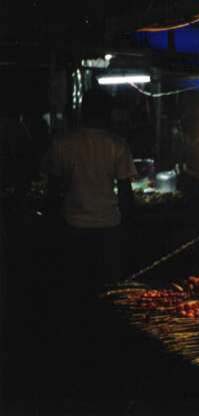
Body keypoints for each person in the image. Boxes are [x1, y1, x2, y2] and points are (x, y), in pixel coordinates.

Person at [45, 88, 137, 289]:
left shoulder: (63, 143)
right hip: (109, 226)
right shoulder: (117, 144)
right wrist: (129, 228)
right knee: (109, 287)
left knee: (76, 286)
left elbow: (52, 190)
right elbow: (125, 192)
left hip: (73, 225)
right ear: (107, 112)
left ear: (82, 110)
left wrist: (51, 224)